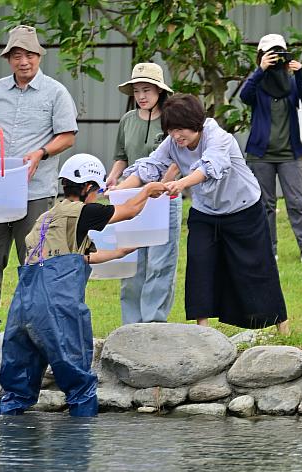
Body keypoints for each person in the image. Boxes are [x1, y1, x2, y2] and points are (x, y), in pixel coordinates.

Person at [0, 154, 167, 417]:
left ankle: (9, 437)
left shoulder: (46, 218)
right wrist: (147, 190)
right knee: (78, 383)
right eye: (96, 190)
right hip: (57, 303)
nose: (97, 195)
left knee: (18, 387)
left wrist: (118, 253)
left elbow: (78, 257)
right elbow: (130, 211)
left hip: (23, 305)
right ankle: (79, 441)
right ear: (87, 187)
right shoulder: (84, 211)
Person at [116, 94, 289, 333]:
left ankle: (283, 327)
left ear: (195, 123)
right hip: (205, 211)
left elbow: (209, 166)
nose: (176, 136)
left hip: (243, 208)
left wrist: (182, 183)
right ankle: (203, 331)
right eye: (171, 130)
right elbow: (150, 167)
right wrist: (119, 190)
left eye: (180, 129)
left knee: (258, 268)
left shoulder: (219, 138)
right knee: (199, 264)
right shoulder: (172, 143)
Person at [0, 25, 78, 332]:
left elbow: (67, 136)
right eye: (17, 55)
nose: (24, 61)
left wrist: (40, 153)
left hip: (35, 189)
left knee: (33, 257)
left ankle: (33, 322)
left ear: (39, 56)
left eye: (30, 55)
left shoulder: (55, 92)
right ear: (9, 59)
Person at [240, 33, 302, 265]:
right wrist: (260, 70)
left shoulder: (291, 82)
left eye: (279, 53)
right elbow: (244, 96)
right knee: (264, 206)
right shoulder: (257, 83)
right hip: (261, 155)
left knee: (297, 203)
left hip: (291, 153)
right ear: (261, 56)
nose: (275, 58)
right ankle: (270, 252)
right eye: (270, 54)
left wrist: (299, 74)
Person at [105, 62, 182, 324]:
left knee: (160, 262)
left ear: (160, 91)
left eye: (147, 90)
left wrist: (162, 184)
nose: (141, 96)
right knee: (131, 260)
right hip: (130, 197)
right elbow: (121, 157)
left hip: (165, 196)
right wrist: (114, 176)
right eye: (137, 90)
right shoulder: (127, 120)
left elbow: (177, 159)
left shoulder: (171, 120)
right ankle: (131, 324)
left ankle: (154, 322)